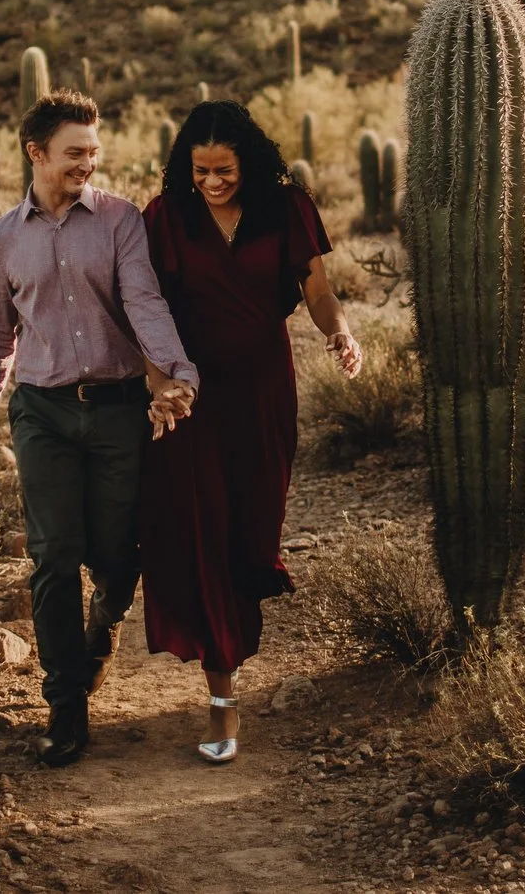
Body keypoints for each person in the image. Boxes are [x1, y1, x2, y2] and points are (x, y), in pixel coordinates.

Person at [0, 89, 198, 767]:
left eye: (93, 151)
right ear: (36, 153)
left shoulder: (120, 220)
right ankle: (66, 705)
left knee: (119, 555)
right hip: (43, 410)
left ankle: (107, 621)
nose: (87, 163)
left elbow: (144, 302)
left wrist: (180, 373)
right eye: (73, 152)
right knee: (54, 558)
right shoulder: (4, 237)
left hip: (121, 404)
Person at [138, 99, 361, 764]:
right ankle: (222, 700)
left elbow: (317, 290)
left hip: (266, 393)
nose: (212, 181)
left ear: (249, 161)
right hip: (192, 397)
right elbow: (146, 309)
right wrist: (158, 388)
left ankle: (233, 657)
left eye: (224, 169)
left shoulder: (287, 207)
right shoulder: (166, 216)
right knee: (205, 532)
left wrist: (341, 331)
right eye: (200, 169)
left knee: (252, 534)